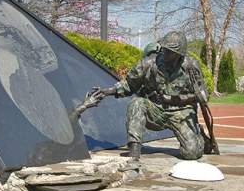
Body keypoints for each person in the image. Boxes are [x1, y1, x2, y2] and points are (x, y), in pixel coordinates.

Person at [90, 31, 212, 160]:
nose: (166, 53)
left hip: (181, 112)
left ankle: (200, 138)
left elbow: (203, 95)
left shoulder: (190, 66)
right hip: (156, 110)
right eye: (164, 49)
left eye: (170, 52)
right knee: (137, 103)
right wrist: (106, 91)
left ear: (179, 54)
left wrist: (178, 99)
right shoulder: (148, 64)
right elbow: (128, 85)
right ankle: (135, 150)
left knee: (191, 153)